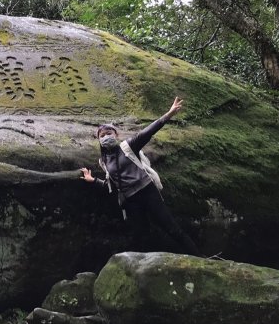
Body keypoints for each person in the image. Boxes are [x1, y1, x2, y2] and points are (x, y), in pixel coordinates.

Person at [80, 97, 199, 255]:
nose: (105, 137)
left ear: (116, 134)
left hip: (147, 192)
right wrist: (92, 180)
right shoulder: (104, 161)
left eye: (109, 133)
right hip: (131, 201)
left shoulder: (128, 146)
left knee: (171, 228)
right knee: (140, 236)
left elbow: (148, 132)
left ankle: (200, 258)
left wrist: (169, 114)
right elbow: (112, 186)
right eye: (102, 135)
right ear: (99, 139)